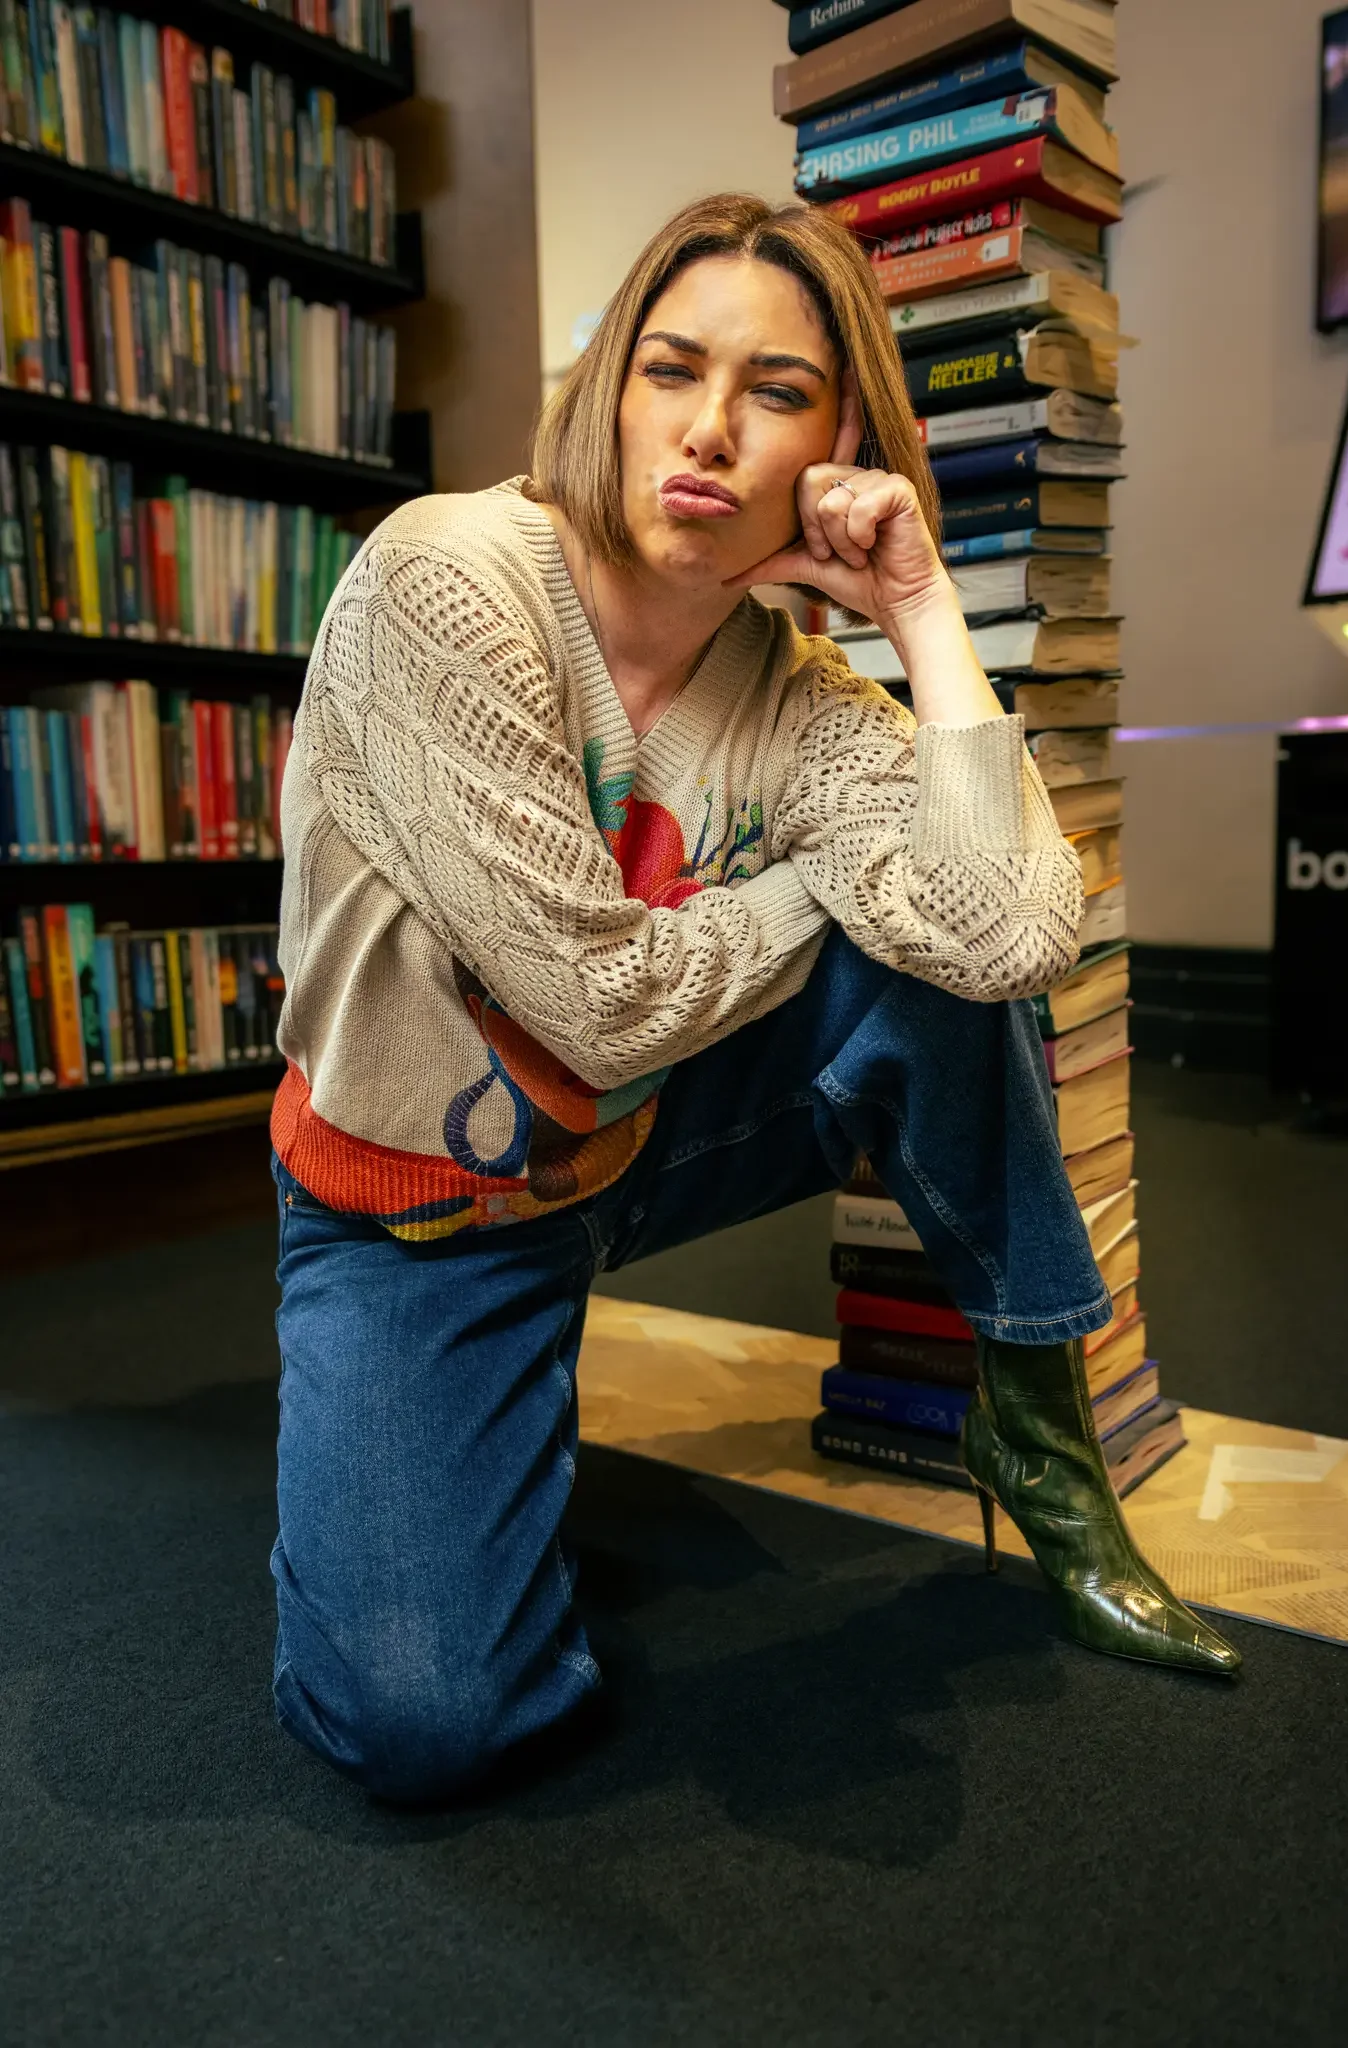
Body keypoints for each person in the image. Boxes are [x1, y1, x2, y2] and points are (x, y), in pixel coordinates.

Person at [269, 192, 1239, 1807]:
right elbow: (593, 1004)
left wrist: (922, 605)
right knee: (425, 1721)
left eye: (779, 393)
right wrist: (818, 892)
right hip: (418, 1204)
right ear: (610, 392)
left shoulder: (796, 697)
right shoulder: (446, 584)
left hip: (638, 1145)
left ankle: (1039, 1439)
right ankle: (428, 1460)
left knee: (939, 942)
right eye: (672, 368)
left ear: (841, 447)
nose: (711, 429)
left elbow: (1008, 937)